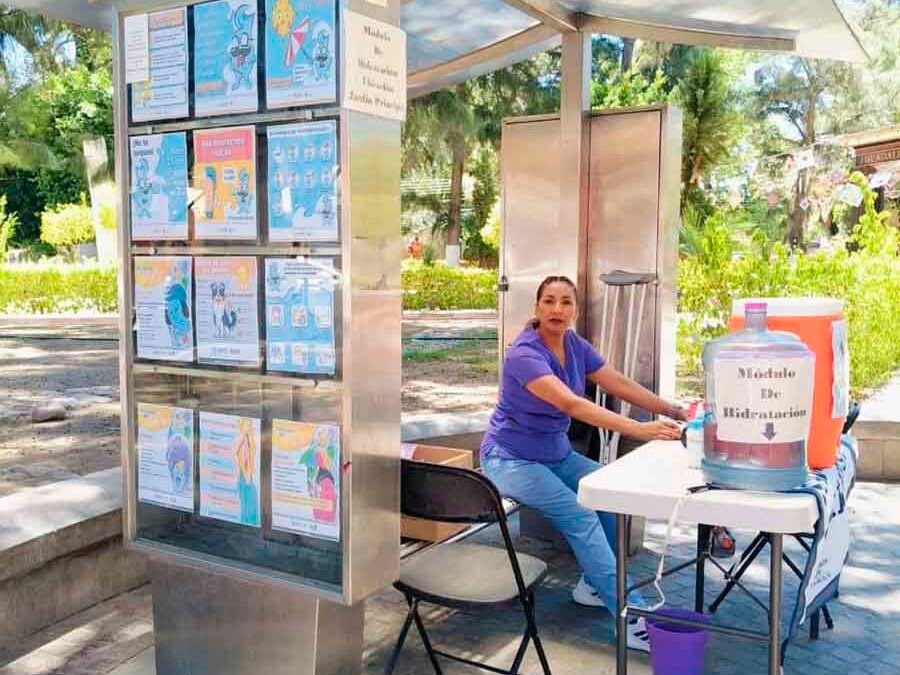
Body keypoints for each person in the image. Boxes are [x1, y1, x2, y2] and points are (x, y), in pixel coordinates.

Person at [481, 275, 686, 653]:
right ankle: (629, 619)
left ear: (575, 309)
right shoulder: (525, 354)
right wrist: (640, 429)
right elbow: (572, 405)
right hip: (511, 459)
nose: (557, 309)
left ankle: (594, 585)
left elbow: (616, 382)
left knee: (612, 493)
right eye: (549, 301)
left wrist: (671, 408)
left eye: (565, 302)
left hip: (555, 454)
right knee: (581, 516)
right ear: (537, 307)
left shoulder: (574, 345)